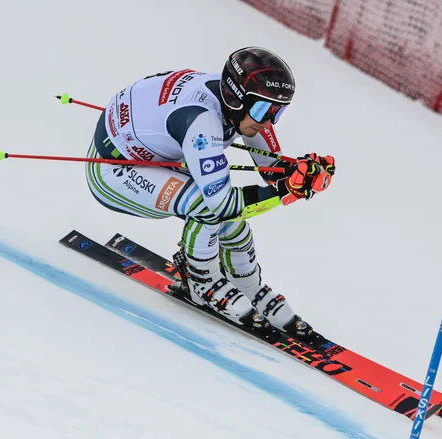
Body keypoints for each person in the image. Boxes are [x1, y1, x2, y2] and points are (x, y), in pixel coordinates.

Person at [85, 47, 335, 342]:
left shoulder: (241, 104)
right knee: (209, 207)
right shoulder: (201, 121)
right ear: (234, 98)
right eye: (262, 111)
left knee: (232, 223)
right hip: (113, 171)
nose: (269, 121)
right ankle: (201, 282)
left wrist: (299, 172)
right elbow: (223, 203)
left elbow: (272, 169)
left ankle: (248, 286)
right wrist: (286, 192)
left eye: (277, 111)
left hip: (146, 152)